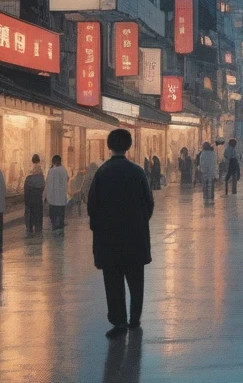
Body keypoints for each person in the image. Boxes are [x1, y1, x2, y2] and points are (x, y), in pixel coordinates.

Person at [88, 129, 155, 339]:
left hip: (109, 241)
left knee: (113, 282)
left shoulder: (102, 173)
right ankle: (134, 320)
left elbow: (92, 206)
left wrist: (100, 228)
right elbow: (149, 203)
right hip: (135, 238)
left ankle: (119, 322)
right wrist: (139, 222)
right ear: (129, 146)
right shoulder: (137, 172)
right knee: (136, 282)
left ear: (109, 146)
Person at [47, 155, 70, 234]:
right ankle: (60, 228)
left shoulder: (52, 171)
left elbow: (48, 184)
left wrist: (46, 196)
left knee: (54, 215)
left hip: (53, 198)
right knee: (61, 214)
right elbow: (67, 179)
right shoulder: (64, 170)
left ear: (53, 162)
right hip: (62, 198)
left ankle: (56, 229)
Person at [24, 155, 46, 236]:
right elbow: (43, 185)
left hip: (30, 197)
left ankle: (29, 227)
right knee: (38, 213)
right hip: (38, 197)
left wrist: (26, 199)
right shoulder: (41, 171)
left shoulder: (29, 173)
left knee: (29, 213)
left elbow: (26, 188)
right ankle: (38, 227)